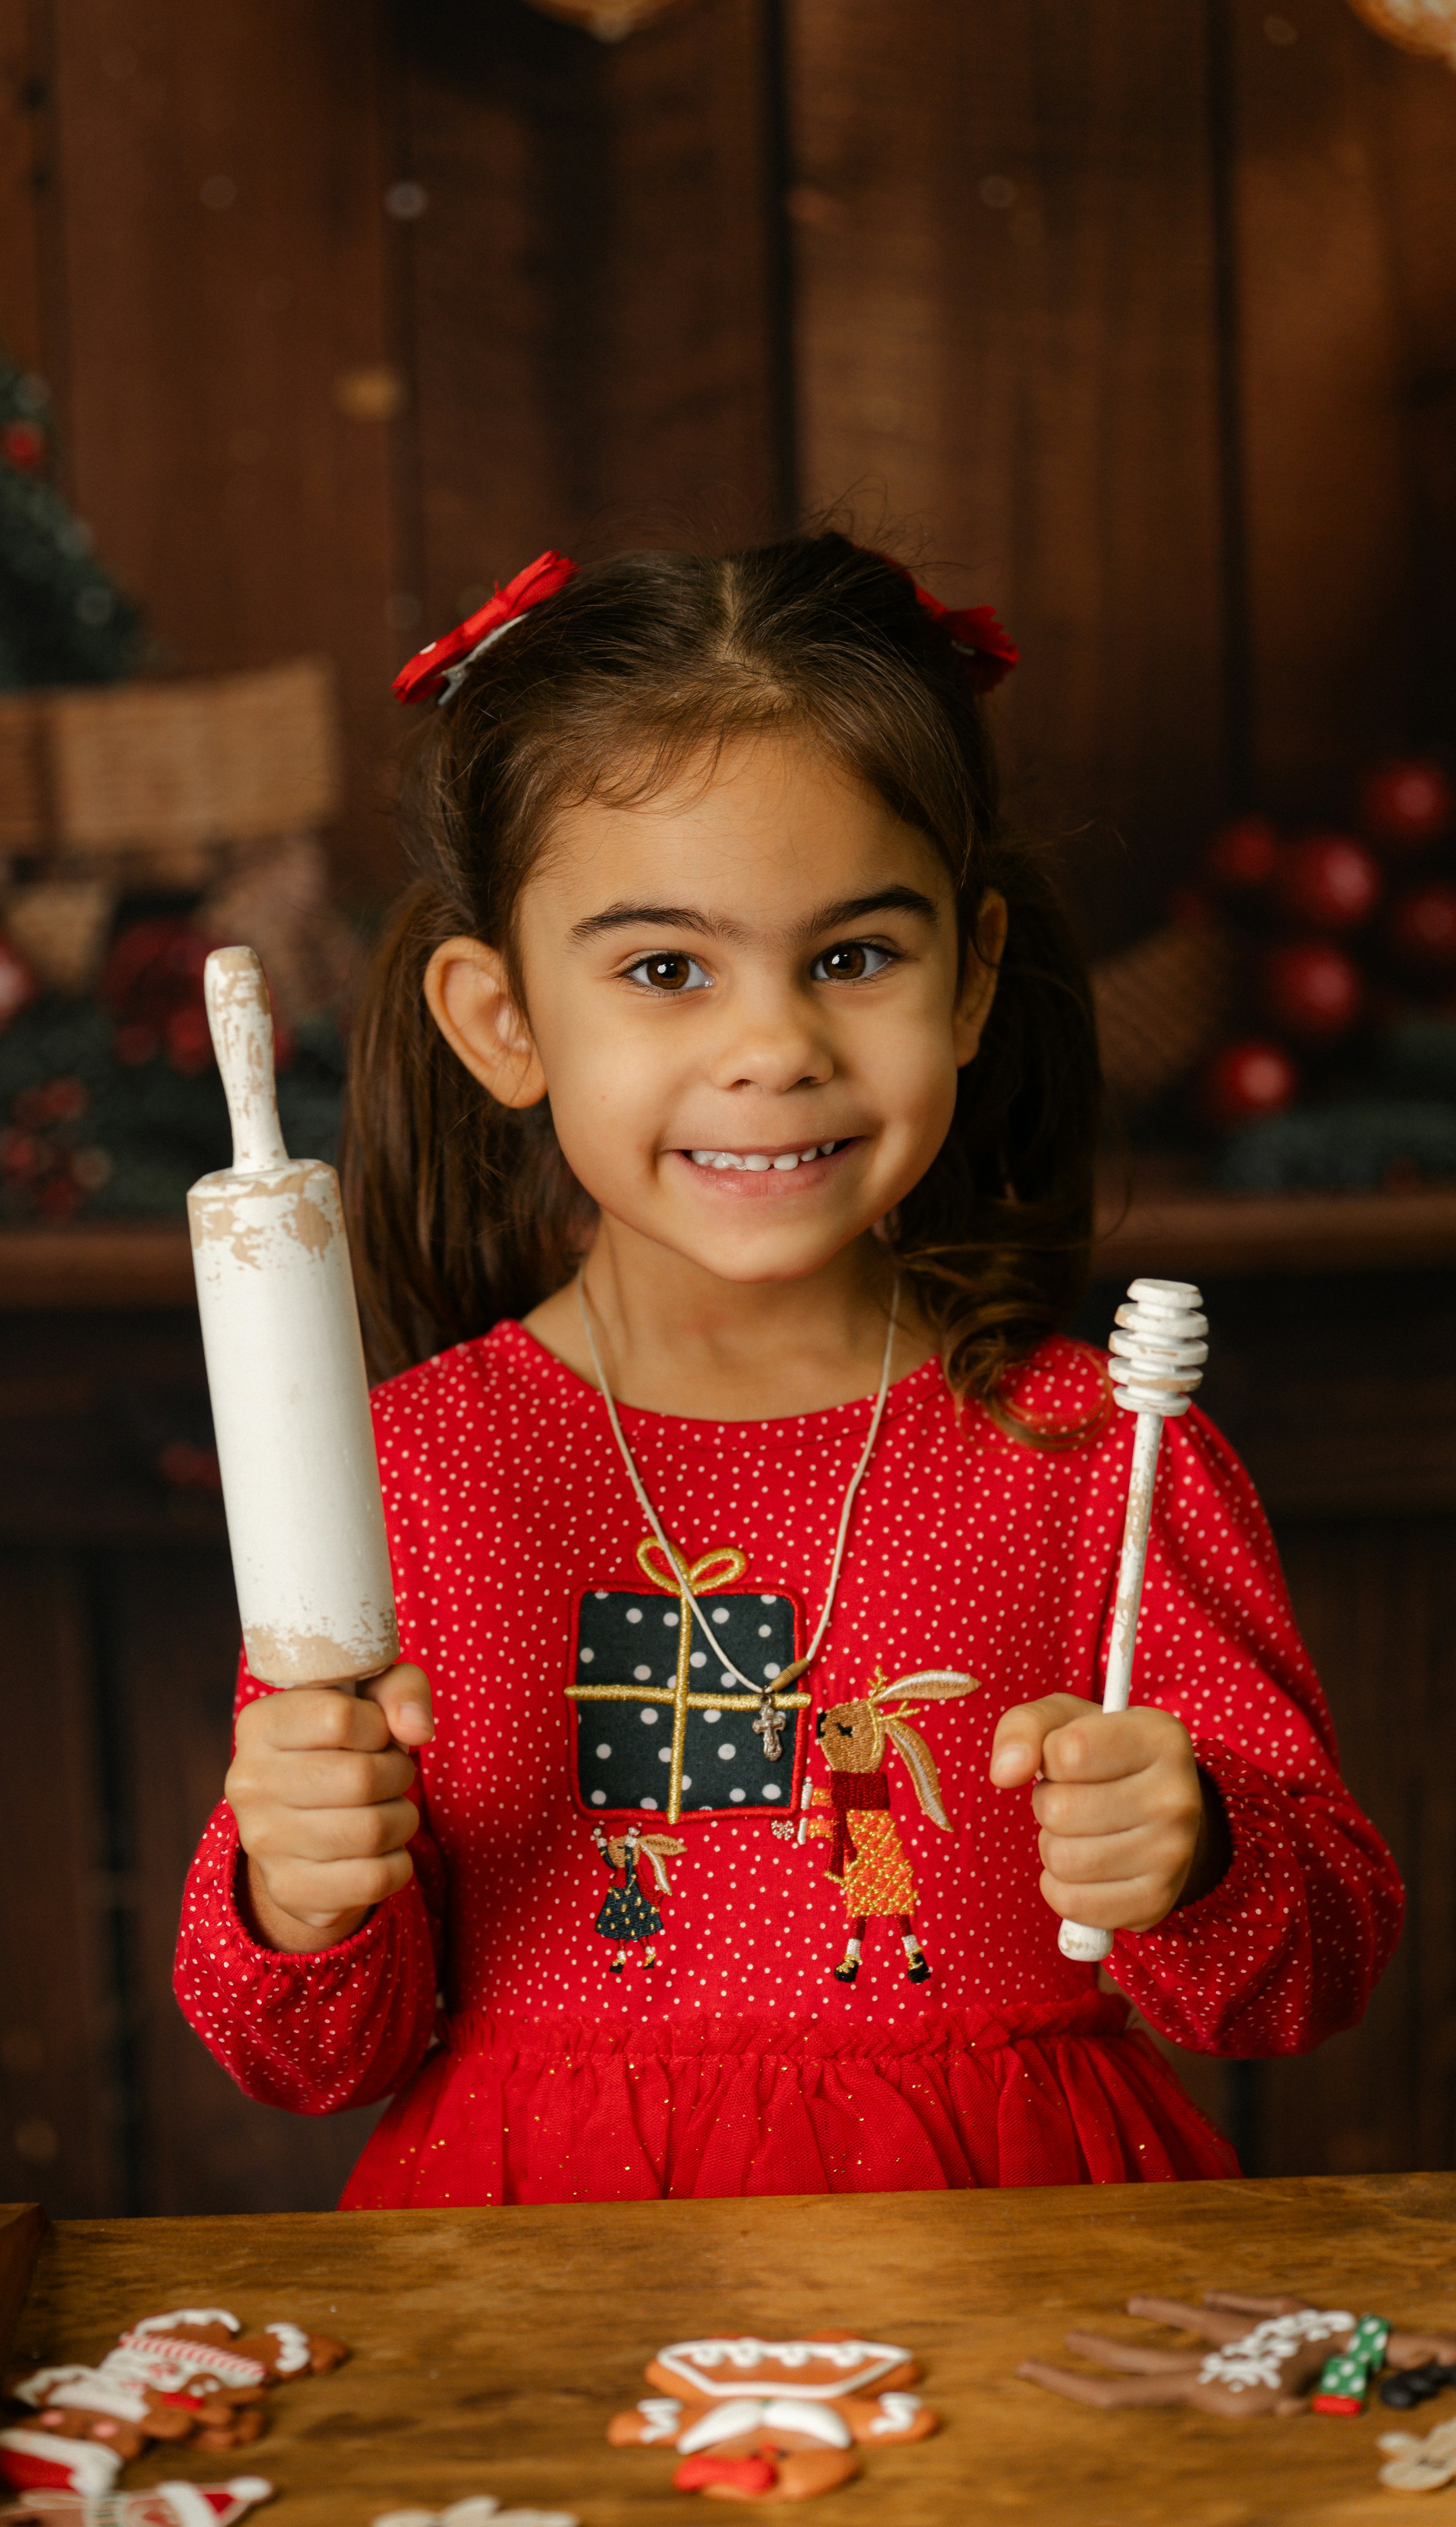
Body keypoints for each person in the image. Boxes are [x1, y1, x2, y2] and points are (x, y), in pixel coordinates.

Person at [174, 533, 1402, 2206]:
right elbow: (305, 2054)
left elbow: (1314, 1974)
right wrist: (297, 1893)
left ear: (969, 980)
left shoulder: (1096, 1456)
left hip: (1018, 2283)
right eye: (666, 969)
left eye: (852, 958)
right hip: (538, 2302)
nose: (774, 1047)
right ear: (502, 1021)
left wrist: (1193, 1862)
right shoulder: (397, 1474)